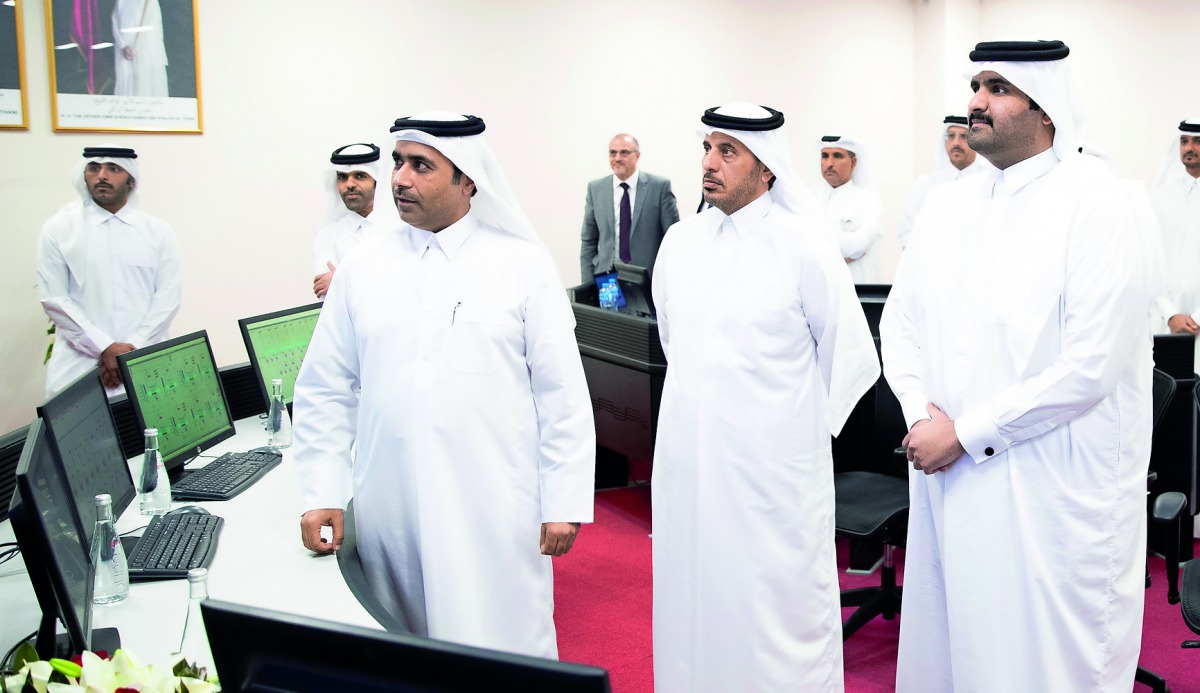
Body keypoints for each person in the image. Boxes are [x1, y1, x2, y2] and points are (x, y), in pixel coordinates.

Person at [880, 40, 1152, 692]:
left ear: (1047, 110)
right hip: (945, 473)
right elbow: (900, 322)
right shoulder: (949, 205)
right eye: (976, 86)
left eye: (998, 88)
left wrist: (966, 434)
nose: (976, 102)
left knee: (1037, 667)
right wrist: (920, 414)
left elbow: (1091, 366)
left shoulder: (1100, 204)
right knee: (954, 650)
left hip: (1047, 494)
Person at [292, 112, 596, 659]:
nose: (400, 180)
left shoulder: (522, 265)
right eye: (398, 163)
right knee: (406, 655)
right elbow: (325, 385)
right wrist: (322, 491)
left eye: (421, 166)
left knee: (502, 649)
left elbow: (562, 394)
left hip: (493, 506)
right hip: (391, 507)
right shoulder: (364, 266)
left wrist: (565, 498)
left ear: (468, 180)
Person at [651, 103, 880, 692]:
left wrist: (788, 439)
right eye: (707, 148)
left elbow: (852, 359)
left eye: (728, 152)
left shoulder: (803, 246)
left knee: (775, 614)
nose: (709, 163)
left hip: (773, 477)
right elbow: (678, 344)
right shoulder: (679, 242)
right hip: (692, 466)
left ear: (767, 168)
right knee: (695, 598)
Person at [36, 145, 181, 398]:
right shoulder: (59, 230)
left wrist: (132, 348)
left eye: (113, 169)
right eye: (94, 168)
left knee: (151, 433)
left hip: (144, 357)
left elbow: (168, 298)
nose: (102, 175)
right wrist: (104, 347)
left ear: (131, 180)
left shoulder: (158, 232)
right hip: (78, 363)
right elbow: (54, 299)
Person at [579, 133, 679, 282]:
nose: (617, 158)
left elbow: (673, 240)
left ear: (637, 156)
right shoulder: (596, 189)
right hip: (607, 279)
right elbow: (588, 241)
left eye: (624, 152)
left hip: (647, 279)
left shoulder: (659, 188)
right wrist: (587, 286)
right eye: (613, 153)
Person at [312, 142, 398, 299]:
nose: (350, 184)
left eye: (360, 176)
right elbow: (328, 295)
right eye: (342, 177)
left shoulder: (404, 226)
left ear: (377, 182)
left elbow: (407, 285)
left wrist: (341, 279)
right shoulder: (328, 236)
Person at [897, 115, 988, 249]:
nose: (956, 143)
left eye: (964, 136)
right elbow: (907, 233)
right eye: (951, 136)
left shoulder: (990, 182)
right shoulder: (925, 185)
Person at [1152, 119, 1200, 344]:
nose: (1189, 148)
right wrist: (1170, 313)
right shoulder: (1162, 197)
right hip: (1168, 321)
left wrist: (1197, 318)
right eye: (1184, 141)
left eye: (1198, 141)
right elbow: (1151, 258)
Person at [814, 134, 883, 283]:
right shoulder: (810, 201)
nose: (829, 163)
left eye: (837, 156)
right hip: (818, 285)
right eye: (825, 156)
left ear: (853, 163)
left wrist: (818, 247)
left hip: (858, 287)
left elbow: (860, 244)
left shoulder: (868, 200)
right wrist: (843, 251)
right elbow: (800, 245)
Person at [112, 0, 168, 97]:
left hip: (145, 54)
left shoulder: (151, 3)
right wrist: (123, 45)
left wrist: (136, 48)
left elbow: (152, 31)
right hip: (124, 54)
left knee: (145, 86)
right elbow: (115, 20)